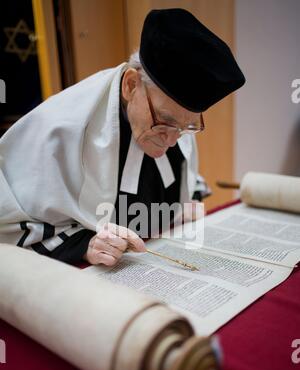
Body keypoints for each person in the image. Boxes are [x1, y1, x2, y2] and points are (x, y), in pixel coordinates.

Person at [0, 8, 245, 267]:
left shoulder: (174, 119)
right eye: (165, 123)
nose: (173, 140)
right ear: (130, 84)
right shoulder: (59, 129)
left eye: (186, 127)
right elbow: (11, 224)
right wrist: (86, 244)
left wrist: (182, 207)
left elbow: (184, 182)